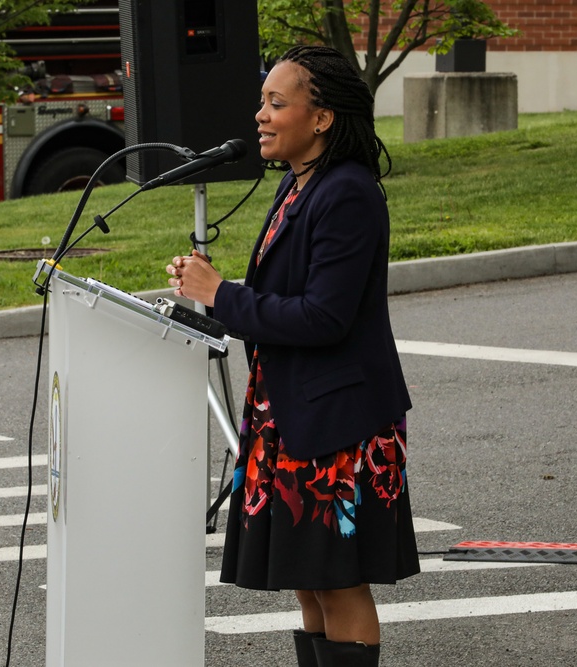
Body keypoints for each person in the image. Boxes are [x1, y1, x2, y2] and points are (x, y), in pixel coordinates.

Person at [165, 45, 420, 667]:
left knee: (338, 579)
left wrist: (221, 294)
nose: (261, 115)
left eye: (277, 103)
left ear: (323, 117)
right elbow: (286, 297)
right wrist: (213, 292)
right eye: (263, 101)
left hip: (339, 421)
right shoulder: (298, 184)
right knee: (309, 577)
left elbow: (324, 317)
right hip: (290, 411)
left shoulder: (349, 193)